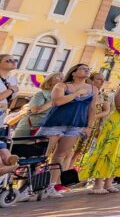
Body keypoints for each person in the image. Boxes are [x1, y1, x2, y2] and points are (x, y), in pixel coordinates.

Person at [37, 62, 96, 198]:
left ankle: (51, 186)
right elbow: (57, 102)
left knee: (60, 155)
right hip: (56, 123)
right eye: (83, 69)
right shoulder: (61, 85)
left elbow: (92, 108)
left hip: (76, 125)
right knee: (42, 154)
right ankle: (29, 185)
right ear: (74, 72)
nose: (87, 71)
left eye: (88, 69)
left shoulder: (92, 89)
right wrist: (76, 93)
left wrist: (89, 126)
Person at [12, 72, 61, 137]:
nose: (62, 79)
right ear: (49, 81)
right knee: (21, 146)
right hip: (29, 129)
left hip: (47, 130)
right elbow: (36, 110)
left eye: (63, 77)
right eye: (58, 77)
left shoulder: (63, 97)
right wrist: (54, 101)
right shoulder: (41, 94)